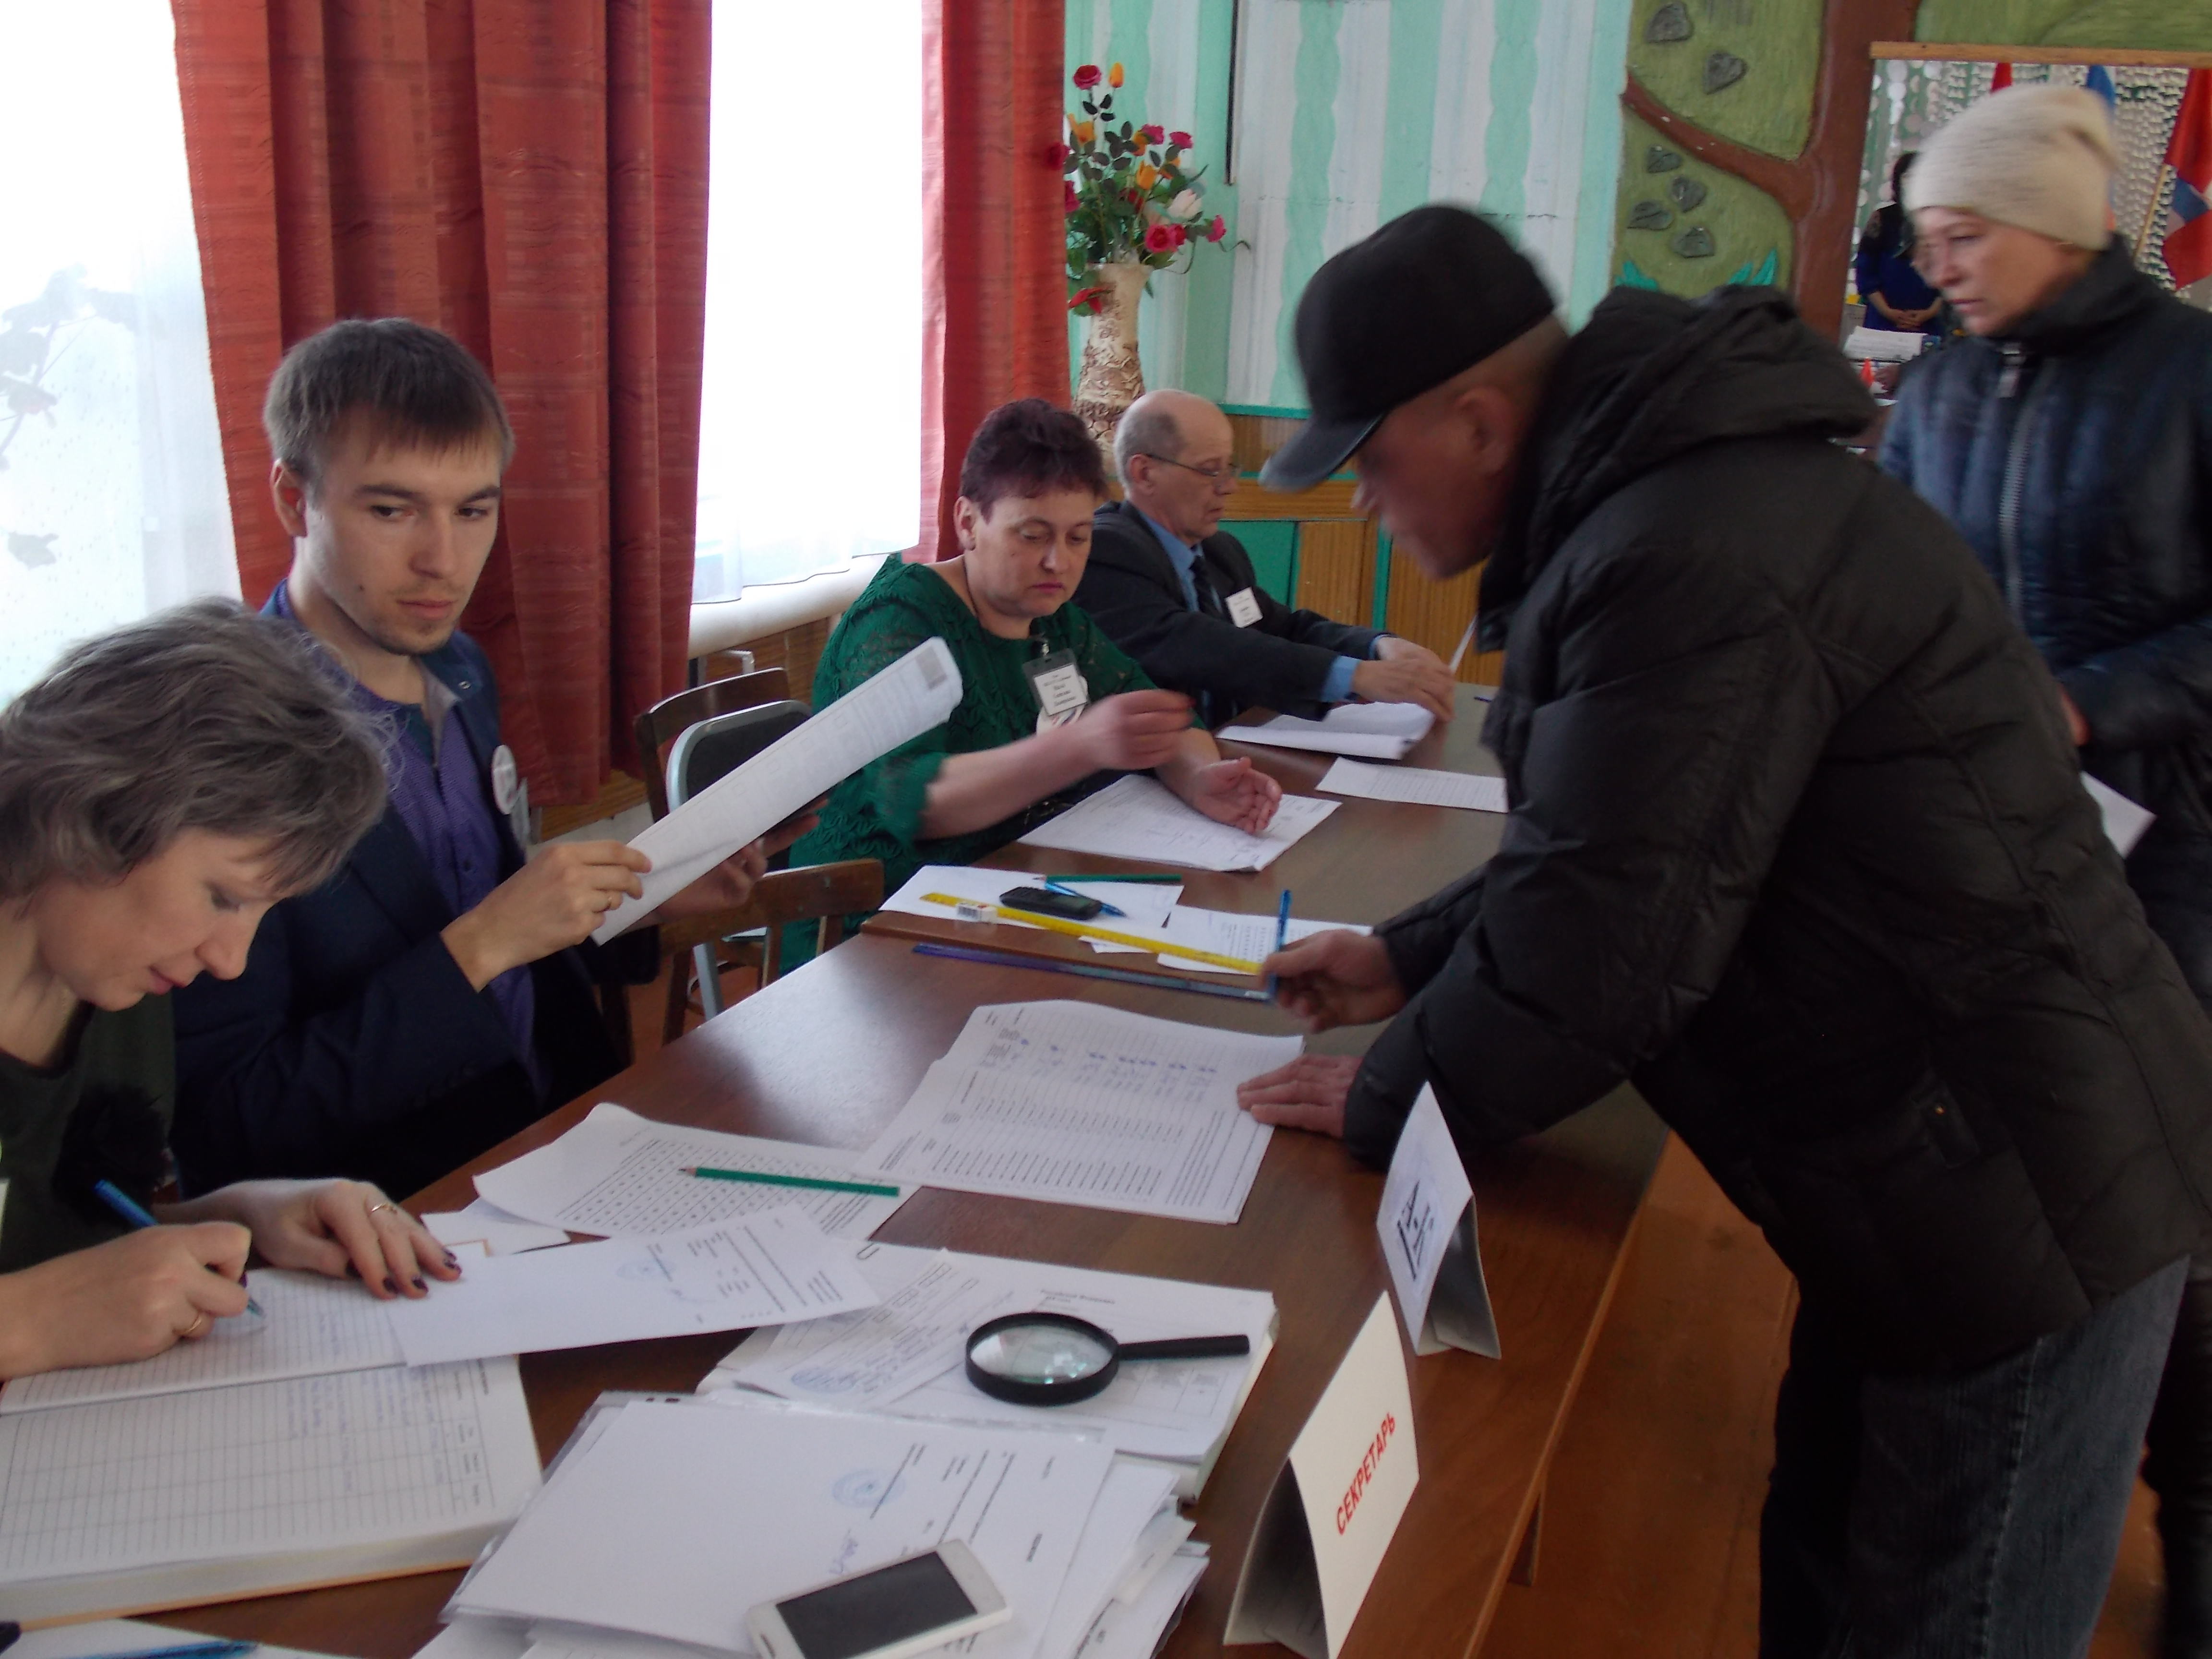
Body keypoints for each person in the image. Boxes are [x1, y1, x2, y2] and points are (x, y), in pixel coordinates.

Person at [1230, 204, 2212, 1656]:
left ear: (1482, 422)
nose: (1366, 506)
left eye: (1372, 462)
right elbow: (1638, 840)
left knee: (1943, 1615)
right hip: (1940, 1167)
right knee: (1829, 1577)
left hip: (2016, 1197)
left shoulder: (1683, 547)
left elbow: (1601, 957)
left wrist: (1388, 1091)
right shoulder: (1673, 506)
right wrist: (1403, 956)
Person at [171, 319, 802, 1202]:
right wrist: (479, 945)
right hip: (398, 1208)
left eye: (473, 511)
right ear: (291, 499)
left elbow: (499, 917)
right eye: (391, 511)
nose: (443, 561)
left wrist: (638, 903)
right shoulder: (218, 748)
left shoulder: (460, 670)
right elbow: (229, 1121)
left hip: (558, 1139)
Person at [1881, 84, 2212, 1659]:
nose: (1934, 265)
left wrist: (2085, 704)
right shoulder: (1939, 384)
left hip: (2172, 850)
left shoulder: (2190, 376)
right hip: (1982, 845)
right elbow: (1889, 583)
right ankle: (1991, 1485)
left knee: (2167, 1207)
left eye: (1961, 236)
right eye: (1925, 237)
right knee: (2000, 1180)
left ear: (2051, 225)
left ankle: (2194, 1517)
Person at [0, 601, 463, 1380]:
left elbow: (50, 1236)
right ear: (87, 808)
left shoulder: (117, 982)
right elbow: (47, 1294)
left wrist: (243, 1214)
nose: (229, 961)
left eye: (262, 912)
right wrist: (28, 1323)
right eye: (222, 897)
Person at [785, 398, 1281, 936]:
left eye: (1078, 537)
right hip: (873, 924)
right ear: (968, 522)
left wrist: (1199, 778)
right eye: (1033, 535)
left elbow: (1157, 721)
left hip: (1008, 891)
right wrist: (1078, 746)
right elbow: (914, 801)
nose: (1059, 561)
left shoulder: (1054, 620)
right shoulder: (897, 622)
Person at [1075, 389, 1455, 726]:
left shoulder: (1221, 551)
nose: (1229, 487)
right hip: (1153, 769)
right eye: (1210, 471)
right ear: (1144, 473)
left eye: (1229, 469)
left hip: (1236, 750)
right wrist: (1355, 676)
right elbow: (1200, 646)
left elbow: (1282, 628)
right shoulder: (1106, 549)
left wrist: (1377, 647)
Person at [1856, 151, 1946, 335]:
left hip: (1930, 324)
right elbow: (1865, 272)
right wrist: (1887, 311)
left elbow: (1952, 272)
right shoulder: (1882, 218)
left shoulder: (1943, 220)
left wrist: (1930, 312)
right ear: (1898, 181)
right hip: (1882, 321)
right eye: (1908, 177)